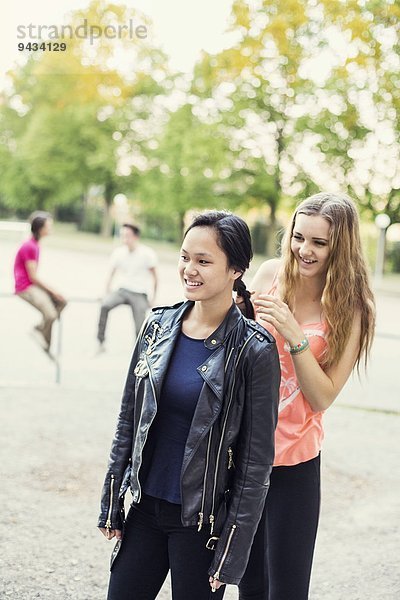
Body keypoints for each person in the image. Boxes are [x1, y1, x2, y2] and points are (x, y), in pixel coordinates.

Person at [97, 211, 281, 600]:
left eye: (203, 261)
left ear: (236, 270)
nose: (189, 270)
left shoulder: (254, 349)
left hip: (203, 524)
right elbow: (128, 419)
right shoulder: (157, 326)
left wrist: (232, 551)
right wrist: (113, 498)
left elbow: (255, 463)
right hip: (144, 509)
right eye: (184, 257)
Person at [238, 192, 376, 600]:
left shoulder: (353, 309)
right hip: (248, 450)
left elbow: (322, 397)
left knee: (288, 588)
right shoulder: (269, 276)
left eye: (319, 242)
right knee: (249, 584)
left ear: (342, 247)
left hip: (296, 461)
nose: (304, 250)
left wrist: (296, 336)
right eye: (299, 237)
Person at [97, 223, 158, 352]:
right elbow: (111, 274)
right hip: (123, 290)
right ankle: (100, 342)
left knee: (139, 326)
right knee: (104, 305)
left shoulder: (147, 254)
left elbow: (155, 277)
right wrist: (106, 292)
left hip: (139, 292)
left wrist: (153, 298)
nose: (124, 238)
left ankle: (139, 353)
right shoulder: (119, 252)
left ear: (135, 237)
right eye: (122, 235)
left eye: (127, 235)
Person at [14, 211, 67, 355]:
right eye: (48, 226)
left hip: (31, 285)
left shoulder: (35, 245)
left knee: (62, 302)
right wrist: (53, 291)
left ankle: (43, 337)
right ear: (40, 228)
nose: (51, 229)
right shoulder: (30, 246)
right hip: (25, 288)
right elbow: (33, 277)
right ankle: (39, 331)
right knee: (50, 315)